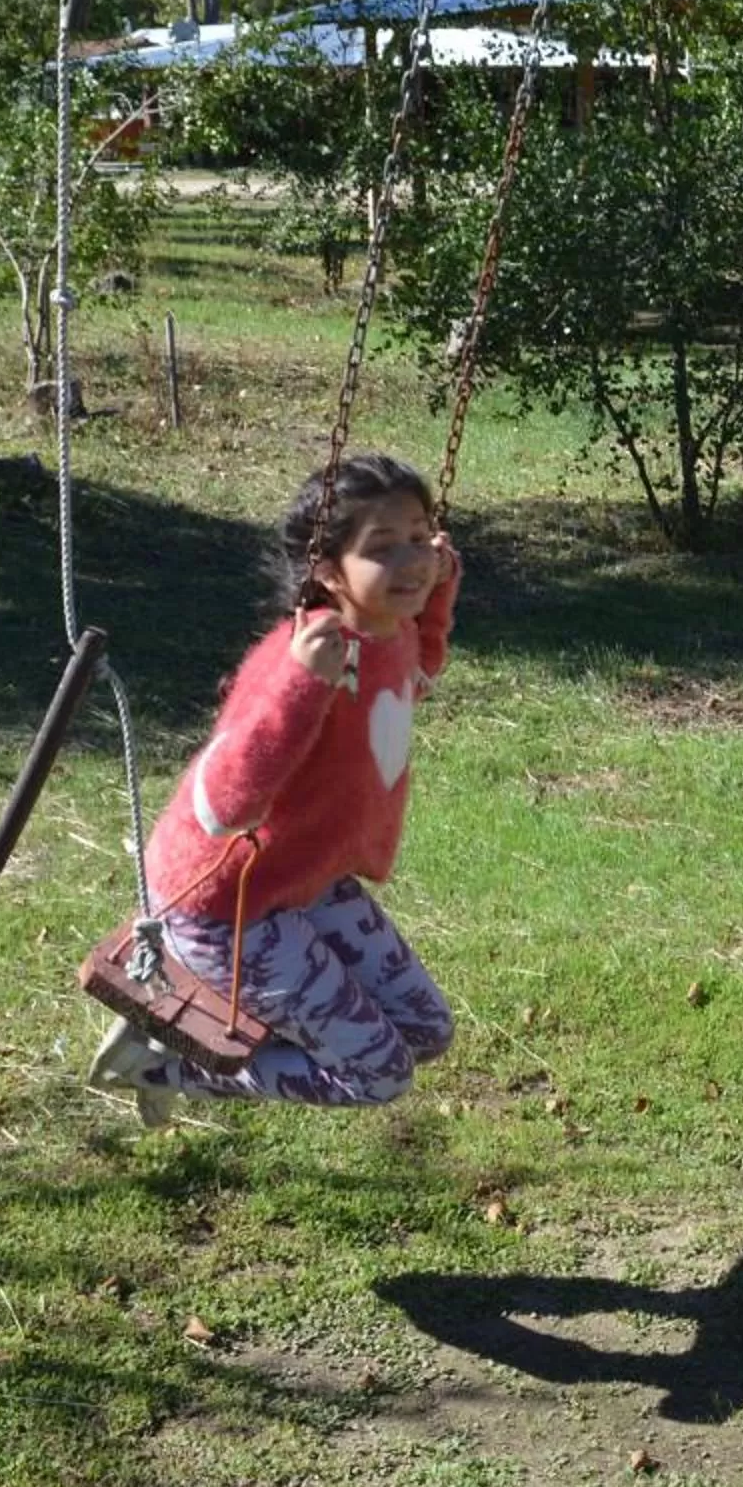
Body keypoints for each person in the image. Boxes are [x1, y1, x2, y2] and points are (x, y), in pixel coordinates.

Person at [88, 453, 461, 1124]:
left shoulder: (390, 631)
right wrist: (300, 686)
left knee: (428, 1032)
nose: (410, 561)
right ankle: (164, 1061)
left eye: (418, 539)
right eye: (382, 548)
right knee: (380, 1075)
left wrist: (439, 594)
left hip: (303, 878)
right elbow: (225, 804)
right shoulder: (294, 660)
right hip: (224, 903)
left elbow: (417, 676)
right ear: (325, 571)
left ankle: (248, 1017)